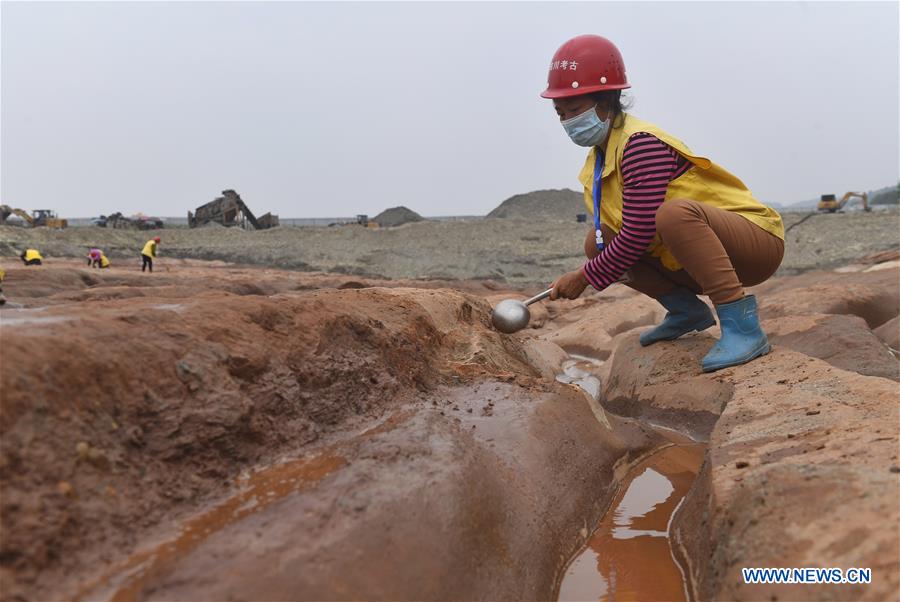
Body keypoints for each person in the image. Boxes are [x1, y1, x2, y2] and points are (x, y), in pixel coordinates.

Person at [543, 35, 784, 372]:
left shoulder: (639, 144)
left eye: (574, 110)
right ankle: (686, 310)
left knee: (673, 215)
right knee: (598, 240)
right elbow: (624, 234)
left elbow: (640, 231)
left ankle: (743, 328)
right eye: (560, 113)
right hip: (691, 258)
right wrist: (592, 264)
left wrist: (584, 277)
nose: (567, 121)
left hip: (753, 245)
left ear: (606, 101)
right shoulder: (599, 156)